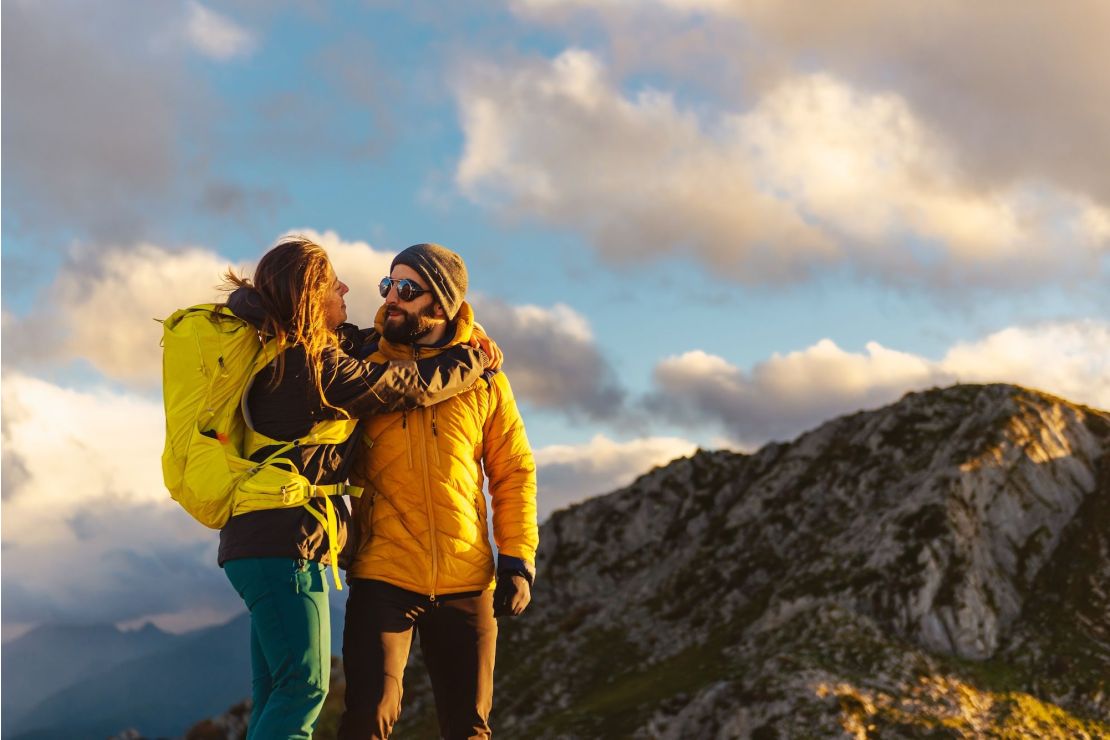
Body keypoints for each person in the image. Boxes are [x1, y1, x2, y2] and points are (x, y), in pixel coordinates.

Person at [218, 236, 496, 739]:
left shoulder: (293, 348)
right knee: (303, 690)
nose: (354, 287)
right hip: (287, 544)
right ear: (307, 295)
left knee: (276, 690)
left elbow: (366, 343)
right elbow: (402, 387)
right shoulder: (314, 366)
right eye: (331, 283)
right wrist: (473, 362)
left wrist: (465, 335)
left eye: (402, 286)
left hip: (261, 542)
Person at [339, 243, 538, 739]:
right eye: (388, 286)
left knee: (468, 728)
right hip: (382, 573)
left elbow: (512, 469)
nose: (392, 299)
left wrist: (517, 559)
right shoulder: (364, 364)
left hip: (467, 580)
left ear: (442, 303)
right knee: (367, 719)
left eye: (407, 289)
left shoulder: (485, 379)